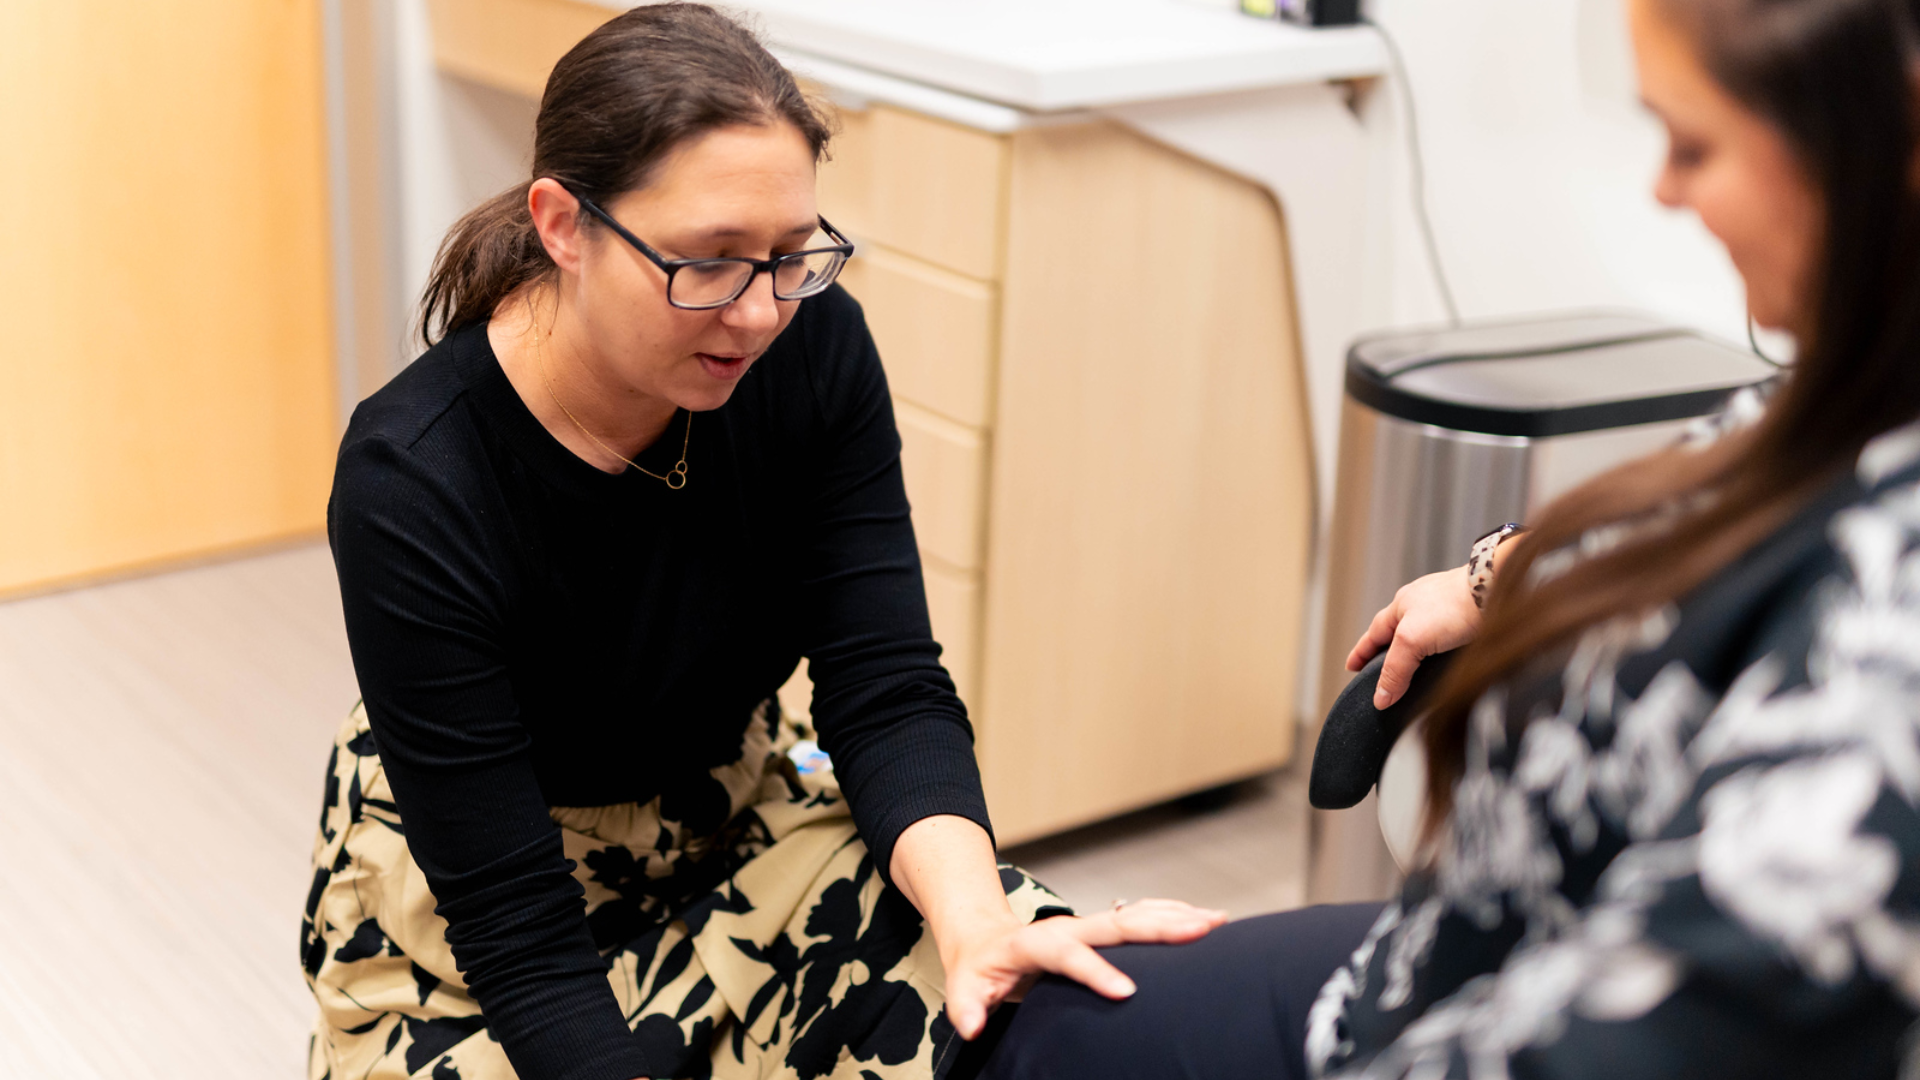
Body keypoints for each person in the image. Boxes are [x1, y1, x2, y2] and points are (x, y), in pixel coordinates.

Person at [975, 0, 1920, 1076]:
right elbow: (1708, 513)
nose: (1664, 190)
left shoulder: (1891, 648)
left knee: (1044, 1040)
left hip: (1482, 1021)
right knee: (1044, 1008)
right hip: (1454, 952)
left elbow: (1658, 1034)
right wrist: (1500, 573)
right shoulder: (1852, 384)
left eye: (1695, 145)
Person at [298, 6, 1224, 1079]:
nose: (759, 313)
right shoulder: (414, 475)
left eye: (792, 255)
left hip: (735, 822)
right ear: (563, 224)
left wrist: (973, 926)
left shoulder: (814, 349)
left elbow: (884, 687)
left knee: (1016, 983)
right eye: (710, 262)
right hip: (479, 912)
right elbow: (514, 926)